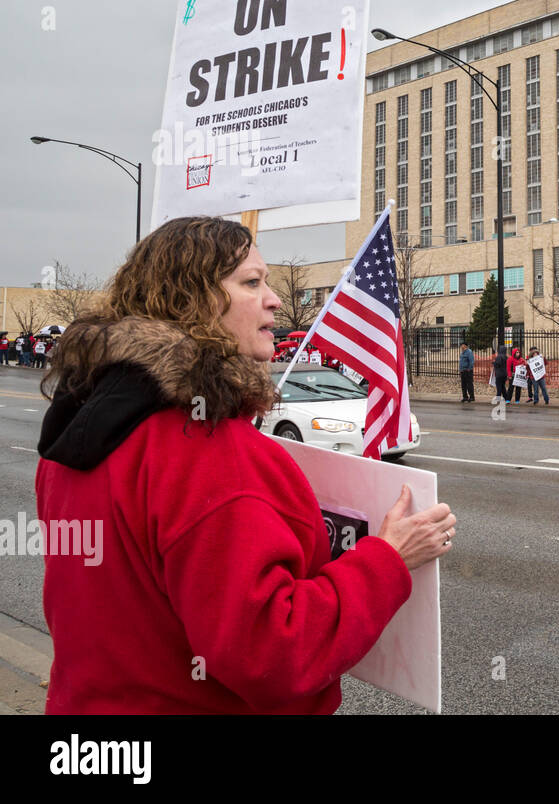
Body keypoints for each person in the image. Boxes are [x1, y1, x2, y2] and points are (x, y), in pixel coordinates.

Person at [35, 216, 455, 713]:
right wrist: (387, 560)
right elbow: (274, 656)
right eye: (252, 283)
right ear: (192, 300)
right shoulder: (205, 448)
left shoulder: (79, 431)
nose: (274, 299)